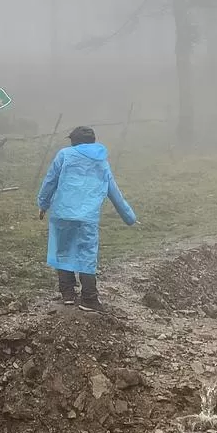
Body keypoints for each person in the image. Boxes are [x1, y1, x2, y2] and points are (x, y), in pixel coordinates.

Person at [37, 126, 137, 311]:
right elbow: (113, 191)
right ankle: (89, 298)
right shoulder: (101, 161)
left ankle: (68, 294)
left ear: (73, 141)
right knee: (87, 254)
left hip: (62, 213)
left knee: (63, 249)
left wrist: (43, 204)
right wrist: (129, 217)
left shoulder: (64, 155)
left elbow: (50, 181)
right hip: (87, 217)